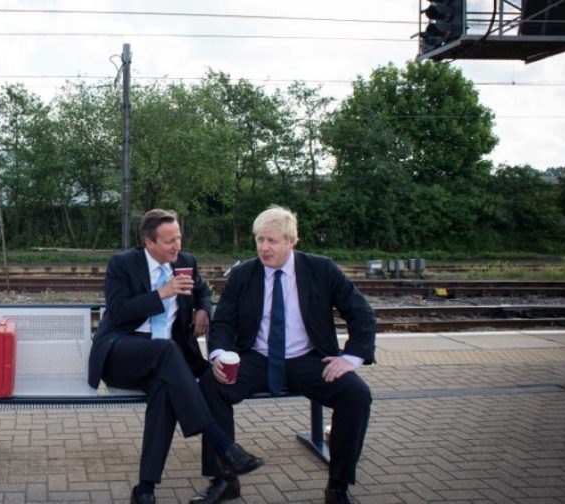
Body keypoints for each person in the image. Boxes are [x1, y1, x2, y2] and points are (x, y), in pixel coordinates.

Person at [192, 205, 376, 504]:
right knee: (211, 386)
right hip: (257, 357)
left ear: (291, 241)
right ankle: (225, 480)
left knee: (356, 394)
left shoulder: (321, 269)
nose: (264, 247)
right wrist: (218, 356)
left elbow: (361, 313)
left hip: (308, 359)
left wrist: (350, 358)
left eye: (272, 241)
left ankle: (338, 486)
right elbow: (223, 321)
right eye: (259, 239)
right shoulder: (242, 275)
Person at [89, 209, 264, 504]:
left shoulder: (185, 262)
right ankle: (223, 444)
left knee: (165, 393)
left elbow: (203, 291)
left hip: (166, 362)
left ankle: (144, 488)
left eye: (179, 237)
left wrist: (202, 308)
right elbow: (117, 312)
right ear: (149, 242)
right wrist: (162, 293)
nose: (177, 246)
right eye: (169, 241)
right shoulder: (123, 264)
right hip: (122, 351)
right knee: (167, 351)